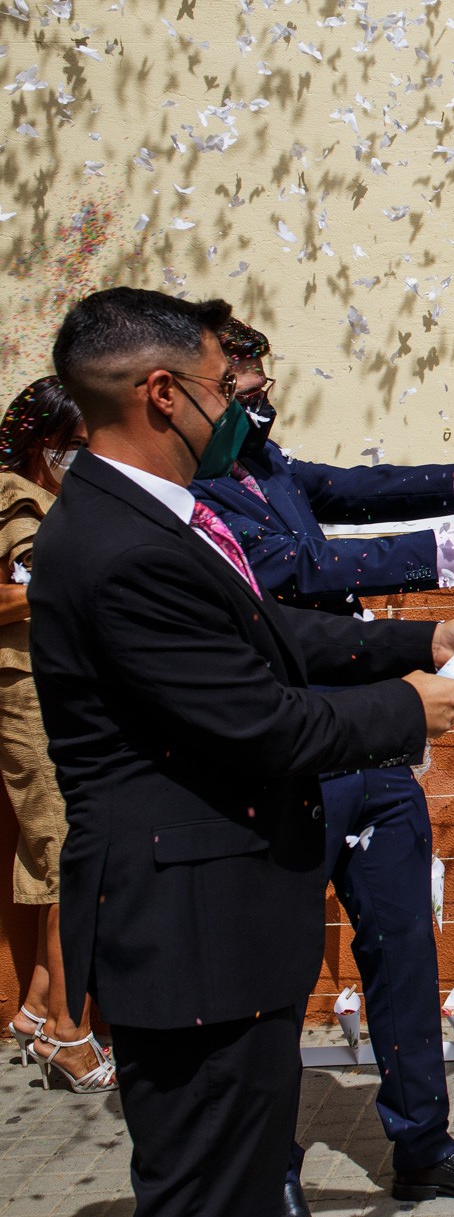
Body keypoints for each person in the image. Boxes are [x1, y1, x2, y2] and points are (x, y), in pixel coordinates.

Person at [29, 287, 454, 1217]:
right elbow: (260, 721)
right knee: (208, 1190)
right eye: (225, 386)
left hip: (226, 923)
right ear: (164, 394)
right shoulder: (121, 546)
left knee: (237, 1177)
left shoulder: (153, 515)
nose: (242, 408)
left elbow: (266, 632)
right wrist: (404, 711)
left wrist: (421, 642)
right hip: (188, 933)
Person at [194, 317, 454, 1211]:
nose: (261, 403)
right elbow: (296, 569)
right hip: (293, 749)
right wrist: (448, 549)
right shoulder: (192, 497)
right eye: (244, 390)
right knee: (277, 969)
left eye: (263, 385)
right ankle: (270, 1168)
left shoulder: (265, 467)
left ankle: (421, 1142)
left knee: (402, 946)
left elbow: (351, 490)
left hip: (375, 742)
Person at [0, 377, 113, 1094]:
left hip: (55, 691)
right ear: (48, 446)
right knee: (72, 862)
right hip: (31, 696)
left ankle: (37, 1013)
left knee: (65, 856)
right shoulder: (17, 502)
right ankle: (70, 1036)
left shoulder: (43, 496)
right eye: (77, 446)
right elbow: (12, 592)